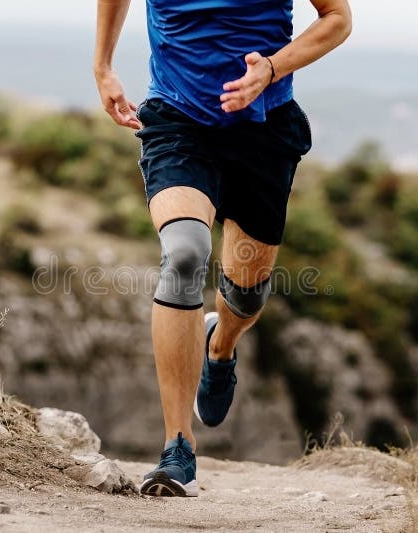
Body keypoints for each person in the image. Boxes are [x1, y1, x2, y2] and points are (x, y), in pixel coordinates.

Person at [94, 0, 352, 497]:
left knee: (247, 296)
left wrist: (272, 69)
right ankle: (177, 448)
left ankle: (221, 345)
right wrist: (103, 67)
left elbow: (338, 18)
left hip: (265, 126)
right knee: (185, 255)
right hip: (178, 119)